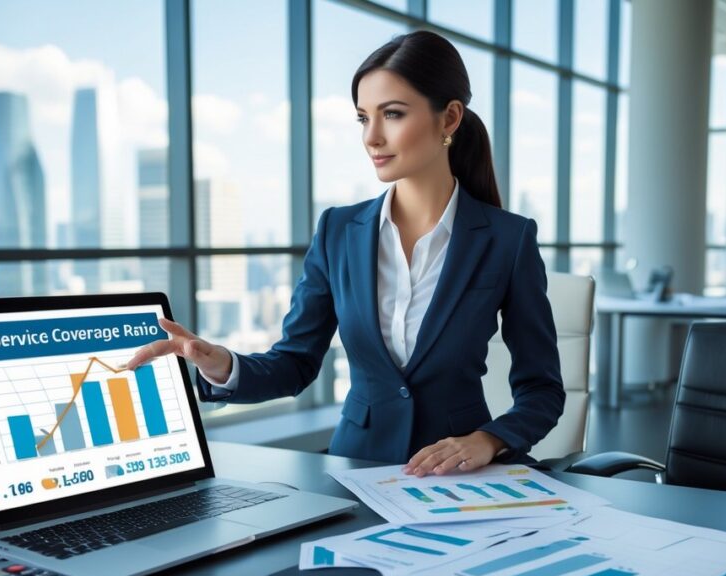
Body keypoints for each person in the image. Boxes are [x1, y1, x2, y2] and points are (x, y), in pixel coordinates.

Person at [127, 30, 564, 476]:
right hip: (356, 470)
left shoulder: (508, 240)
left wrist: (488, 440)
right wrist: (220, 364)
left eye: (392, 114)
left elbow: (542, 390)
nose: (372, 137)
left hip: (460, 475)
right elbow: (295, 364)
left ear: (449, 118)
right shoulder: (338, 231)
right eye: (362, 118)